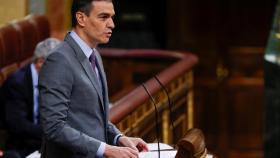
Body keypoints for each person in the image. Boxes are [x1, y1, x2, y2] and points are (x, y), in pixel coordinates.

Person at [39, 0, 148, 158]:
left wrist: (119, 138)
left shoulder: (94, 54)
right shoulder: (59, 60)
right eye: (103, 17)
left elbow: (93, 117)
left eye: (112, 17)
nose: (111, 24)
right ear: (81, 18)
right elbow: (54, 126)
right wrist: (107, 149)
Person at [2, 38, 61, 158]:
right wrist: (53, 133)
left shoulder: (51, 80)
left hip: (42, 141)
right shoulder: (17, 83)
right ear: (41, 62)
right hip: (21, 146)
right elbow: (18, 125)